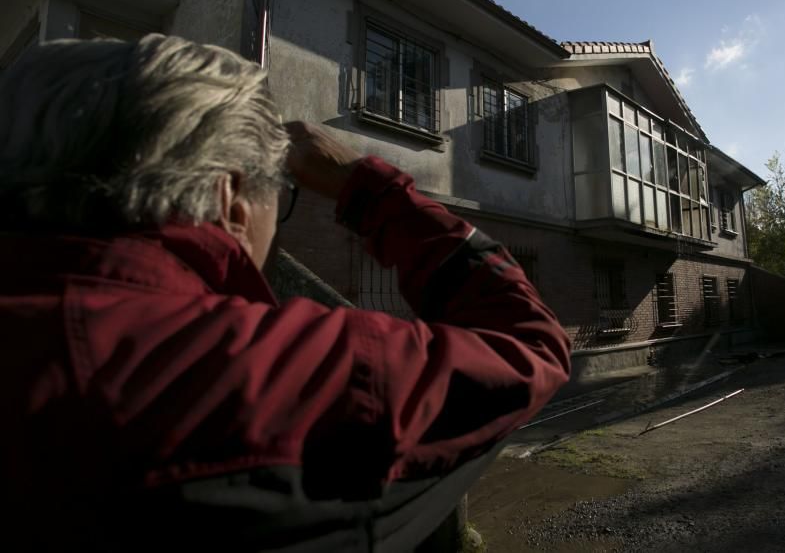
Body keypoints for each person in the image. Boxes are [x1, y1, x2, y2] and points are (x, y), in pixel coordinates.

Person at [0, 35, 571, 551]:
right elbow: (527, 345)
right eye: (278, 194)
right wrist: (365, 188)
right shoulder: (269, 370)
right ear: (230, 198)